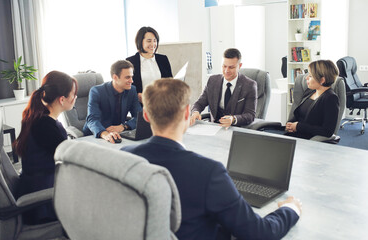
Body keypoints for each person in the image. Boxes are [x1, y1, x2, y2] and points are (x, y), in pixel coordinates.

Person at [122, 78, 302, 240]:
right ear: (187, 113)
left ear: (145, 115)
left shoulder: (125, 158)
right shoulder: (208, 172)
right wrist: (290, 208)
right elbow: (260, 233)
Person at [14, 71, 78, 224]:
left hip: (40, 186)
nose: (76, 97)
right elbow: (69, 159)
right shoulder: (45, 126)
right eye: (74, 94)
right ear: (62, 99)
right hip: (42, 201)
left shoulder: (40, 118)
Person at [190, 48, 257, 128]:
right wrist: (195, 112)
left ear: (239, 66)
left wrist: (233, 119)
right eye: (224, 66)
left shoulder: (250, 85)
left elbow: (250, 115)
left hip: (236, 130)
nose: (226, 71)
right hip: (214, 128)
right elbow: (199, 103)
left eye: (231, 67)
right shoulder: (212, 81)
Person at [83, 60, 141, 143]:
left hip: (118, 133)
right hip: (95, 135)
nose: (131, 81)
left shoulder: (132, 90)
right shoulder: (97, 91)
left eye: (132, 77)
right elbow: (92, 119)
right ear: (115, 77)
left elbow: (139, 116)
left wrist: (124, 126)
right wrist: (105, 134)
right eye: (127, 77)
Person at [285, 60, 339, 139]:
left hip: (307, 139)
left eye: (310, 76)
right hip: (294, 134)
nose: (306, 78)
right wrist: (290, 126)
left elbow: (327, 131)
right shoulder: (309, 92)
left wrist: (298, 127)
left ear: (322, 80)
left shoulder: (331, 98)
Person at [126, 26, 173, 103]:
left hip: (163, 103)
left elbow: (170, 82)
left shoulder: (163, 59)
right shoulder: (131, 61)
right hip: (141, 105)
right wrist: (137, 95)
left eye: (155, 41)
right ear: (140, 41)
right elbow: (128, 86)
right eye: (149, 41)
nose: (153, 44)